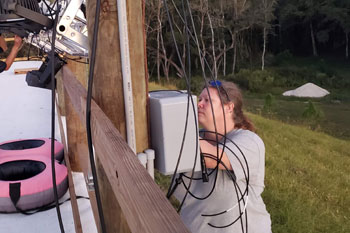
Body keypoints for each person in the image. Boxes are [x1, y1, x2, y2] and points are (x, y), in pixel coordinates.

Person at [174, 80, 272, 233]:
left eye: (207, 100)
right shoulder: (191, 137)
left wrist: (174, 124)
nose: (199, 104)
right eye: (199, 99)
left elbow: (212, 158)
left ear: (229, 107)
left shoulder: (250, 141)